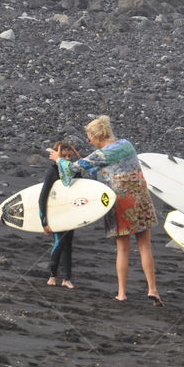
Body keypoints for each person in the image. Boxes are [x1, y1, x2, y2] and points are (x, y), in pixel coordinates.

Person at [52, 116, 163, 305]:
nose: (89, 141)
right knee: (145, 246)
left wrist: (59, 160)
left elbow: (72, 169)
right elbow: (98, 167)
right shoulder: (126, 145)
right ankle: (153, 289)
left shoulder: (101, 154)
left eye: (89, 137)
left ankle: (122, 293)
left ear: (98, 136)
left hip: (120, 202)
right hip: (141, 197)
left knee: (123, 248)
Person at [40, 141, 80, 289]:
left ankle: (67, 279)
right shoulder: (53, 171)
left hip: (70, 214)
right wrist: (44, 221)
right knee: (59, 243)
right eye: (65, 155)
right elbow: (42, 197)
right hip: (56, 214)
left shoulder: (75, 171)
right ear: (58, 155)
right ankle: (52, 276)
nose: (68, 158)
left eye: (70, 155)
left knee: (68, 245)